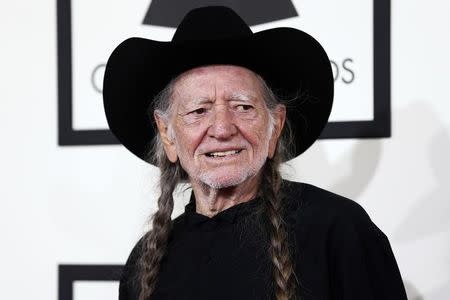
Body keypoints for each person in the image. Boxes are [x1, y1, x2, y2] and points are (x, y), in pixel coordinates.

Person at [103, 6, 408, 300]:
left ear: (275, 127)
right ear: (167, 134)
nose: (222, 129)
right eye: (198, 110)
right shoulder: (144, 267)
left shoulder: (340, 232)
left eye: (243, 107)